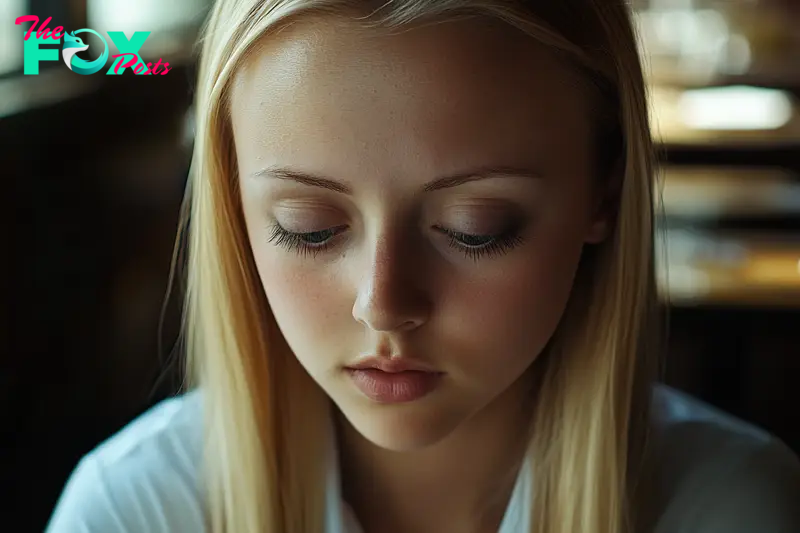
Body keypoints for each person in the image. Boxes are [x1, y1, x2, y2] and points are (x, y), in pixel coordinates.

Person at [45, 1, 800, 532]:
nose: (383, 303)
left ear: (604, 191)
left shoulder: (734, 506)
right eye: (307, 230)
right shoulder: (132, 509)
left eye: (475, 229)